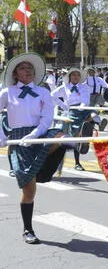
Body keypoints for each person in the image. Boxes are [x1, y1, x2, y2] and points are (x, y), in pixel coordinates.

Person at [0, 53, 77, 244]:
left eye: (29, 68)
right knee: (29, 191)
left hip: (39, 133)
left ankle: (71, 141)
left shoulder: (43, 92)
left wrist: (35, 134)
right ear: (15, 74)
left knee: (57, 134)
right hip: (18, 140)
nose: (27, 71)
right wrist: (1, 136)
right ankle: (28, 229)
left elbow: (46, 119)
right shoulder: (7, 92)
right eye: (22, 68)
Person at [51, 68, 108, 171]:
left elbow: (86, 99)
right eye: (73, 75)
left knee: (92, 113)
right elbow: (52, 95)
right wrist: (63, 105)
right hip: (72, 112)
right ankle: (77, 162)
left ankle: (97, 124)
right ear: (69, 77)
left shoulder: (83, 87)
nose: (76, 77)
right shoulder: (64, 87)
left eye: (78, 75)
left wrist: (82, 106)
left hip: (83, 108)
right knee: (76, 137)